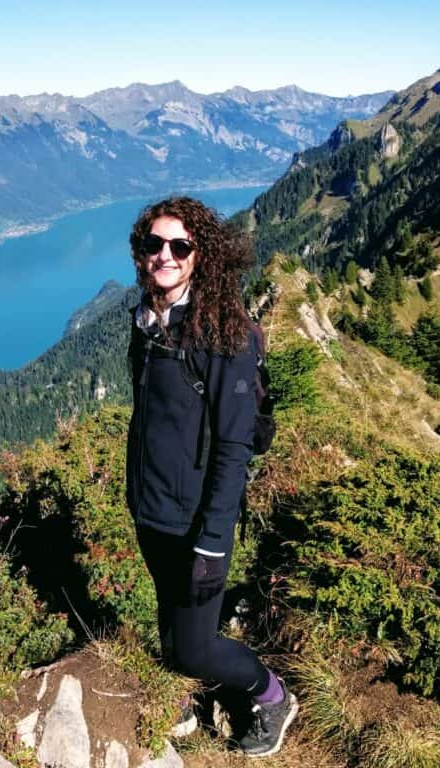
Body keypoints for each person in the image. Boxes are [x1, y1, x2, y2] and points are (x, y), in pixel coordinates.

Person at [126, 196, 298, 757]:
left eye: (180, 246)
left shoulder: (226, 335)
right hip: (151, 508)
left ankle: (271, 695)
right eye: (154, 244)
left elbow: (233, 446)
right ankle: (182, 690)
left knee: (197, 648)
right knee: (169, 620)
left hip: (198, 519)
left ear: (202, 255)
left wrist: (215, 537)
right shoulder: (148, 322)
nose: (165, 255)